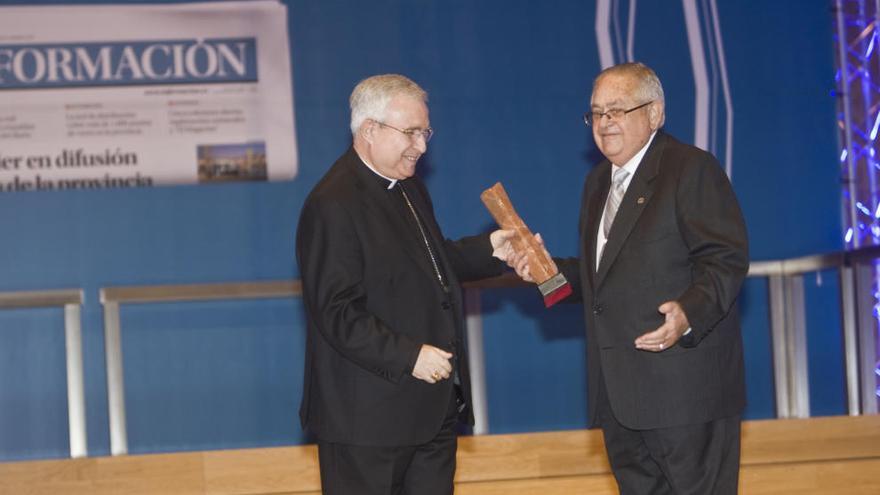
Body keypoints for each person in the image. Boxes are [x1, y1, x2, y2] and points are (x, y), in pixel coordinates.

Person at [511, 62, 749, 494]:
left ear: (654, 113)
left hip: (685, 394)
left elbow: (725, 259)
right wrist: (543, 275)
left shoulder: (690, 168)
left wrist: (686, 314)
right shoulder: (598, 182)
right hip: (620, 398)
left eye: (617, 111)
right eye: (596, 113)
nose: (604, 124)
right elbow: (597, 283)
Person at [296, 74, 513, 495]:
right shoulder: (331, 204)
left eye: (425, 131)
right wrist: (408, 354)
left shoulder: (408, 188)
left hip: (429, 411)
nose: (423, 146)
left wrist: (491, 250)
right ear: (370, 130)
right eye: (411, 132)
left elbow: (426, 264)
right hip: (367, 424)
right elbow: (335, 311)